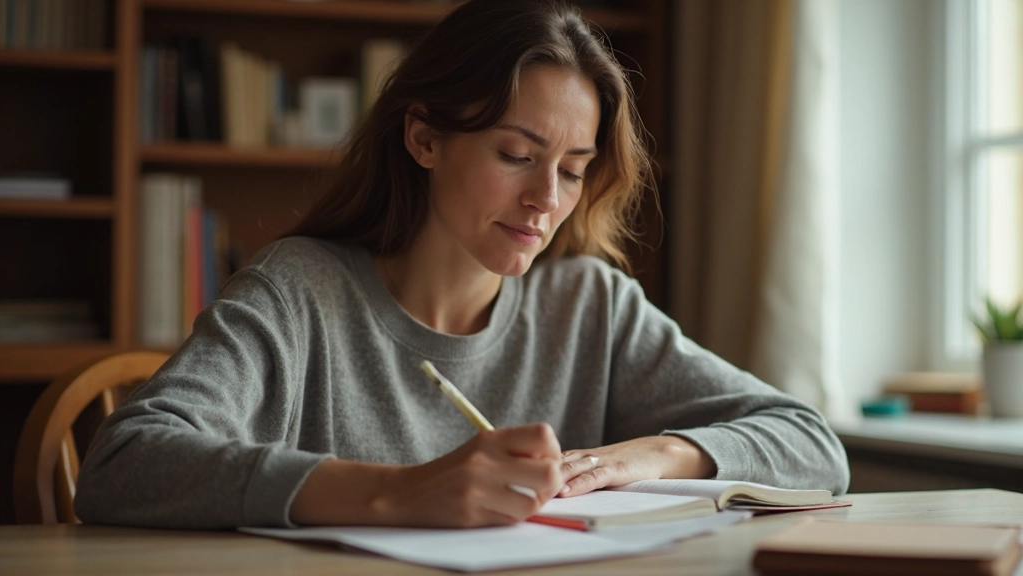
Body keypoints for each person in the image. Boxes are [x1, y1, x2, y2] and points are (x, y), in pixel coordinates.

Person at [75, 0, 849, 530]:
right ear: (424, 139)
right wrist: (394, 494)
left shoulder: (590, 304)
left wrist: (657, 455)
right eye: (515, 154)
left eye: (573, 169)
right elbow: (122, 464)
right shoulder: (300, 292)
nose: (546, 199)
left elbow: (813, 446)